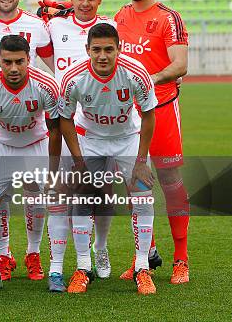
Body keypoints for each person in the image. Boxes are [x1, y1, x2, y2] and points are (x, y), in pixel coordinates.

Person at [59, 23, 158, 295]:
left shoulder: (136, 73)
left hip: (128, 137)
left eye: (109, 50)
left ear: (119, 49)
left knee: (143, 196)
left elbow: (149, 114)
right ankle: (83, 267)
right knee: (83, 197)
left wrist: (140, 161)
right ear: (87, 50)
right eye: (97, 50)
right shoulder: (73, 77)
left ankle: (141, 267)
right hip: (90, 138)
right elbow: (65, 119)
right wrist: (78, 162)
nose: (102, 56)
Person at [39, 0, 118, 291]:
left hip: (104, 122)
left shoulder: (111, 26)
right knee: (68, 194)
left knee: (104, 193)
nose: (85, 3)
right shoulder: (55, 26)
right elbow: (47, 57)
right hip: (69, 120)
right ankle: (74, 263)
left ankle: (100, 248)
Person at [115, 0, 190, 284]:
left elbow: (180, 64)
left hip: (161, 107)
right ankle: (146, 254)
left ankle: (181, 259)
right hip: (129, 114)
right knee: (136, 185)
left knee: (170, 181)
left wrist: (147, 79)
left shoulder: (168, 18)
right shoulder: (120, 15)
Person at [0, 34, 60, 292]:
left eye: (19, 62)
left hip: (36, 144)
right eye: (7, 62)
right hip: (0, 145)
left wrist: (53, 173)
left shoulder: (46, 84)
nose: (13, 68)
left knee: (41, 199)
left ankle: (33, 253)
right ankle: (2, 256)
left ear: (29, 60)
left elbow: (56, 130)